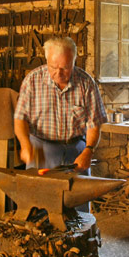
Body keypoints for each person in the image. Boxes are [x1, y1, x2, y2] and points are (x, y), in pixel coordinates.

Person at [14, 37, 106, 173]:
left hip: (76, 151)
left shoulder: (86, 83)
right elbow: (20, 119)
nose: (59, 73)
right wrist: (25, 143)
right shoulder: (32, 81)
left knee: (78, 192)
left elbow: (94, 123)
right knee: (40, 192)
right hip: (42, 151)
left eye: (65, 67)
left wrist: (89, 150)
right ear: (47, 61)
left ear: (74, 61)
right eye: (53, 67)